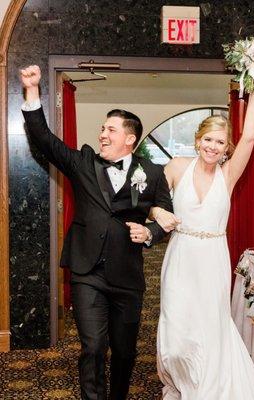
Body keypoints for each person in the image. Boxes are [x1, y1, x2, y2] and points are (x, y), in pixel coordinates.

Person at [20, 65, 173, 400]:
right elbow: (44, 140)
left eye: (111, 130)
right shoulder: (83, 163)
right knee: (92, 346)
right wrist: (32, 92)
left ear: (129, 138)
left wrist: (149, 233)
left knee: (124, 352)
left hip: (128, 276)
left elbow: (166, 215)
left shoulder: (153, 172)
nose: (103, 134)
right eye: (103, 128)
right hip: (87, 271)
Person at [150, 93, 254, 399]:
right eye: (208, 140)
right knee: (176, 330)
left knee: (209, 326)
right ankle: (179, 380)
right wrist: (156, 212)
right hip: (181, 255)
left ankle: (204, 387)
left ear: (226, 147)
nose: (212, 147)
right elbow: (154, 203)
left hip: (213, 258)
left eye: (219, 142)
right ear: (197, 139)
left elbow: (251, 136)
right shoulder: (177, 167)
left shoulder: (228, 175)